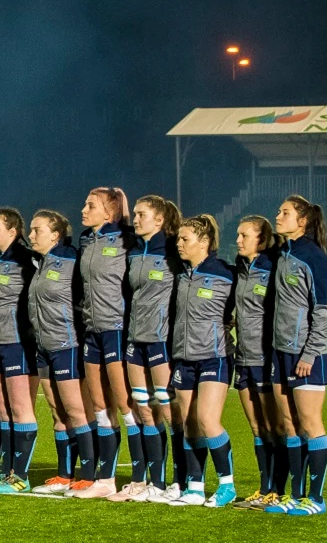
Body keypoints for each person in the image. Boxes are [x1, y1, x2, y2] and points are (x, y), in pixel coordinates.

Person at [265, 195, 327, 517]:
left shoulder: (314, 257)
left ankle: (316, 499)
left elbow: (323, 312)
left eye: (285, 213)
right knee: (290, 425)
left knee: (310, 423)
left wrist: (310, 353)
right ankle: (296, 494)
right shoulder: (282, 254)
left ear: (302, 221)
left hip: (307, 355)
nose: (278, 217)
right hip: (281, 353)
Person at [167, 214, 238, 507]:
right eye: (179, 239)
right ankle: (195, 487)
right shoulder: (182, 274)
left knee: (208, 420)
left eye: (186, 239)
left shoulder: (225, 273)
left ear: (204, 242)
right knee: (189, 423)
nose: (180, 244)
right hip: (183, 359)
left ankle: (227, 485)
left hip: (214, 357)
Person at [115, 194, 181, 501]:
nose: (136, 220)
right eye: (136, 215)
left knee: (167, 410)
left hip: (161, 340)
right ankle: (154, 483)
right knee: (142, 409)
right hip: (135, 340)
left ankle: (182, 480)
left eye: (143, 215)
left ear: (160, 220)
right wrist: (124, 210)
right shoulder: (133, 250)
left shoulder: (171, 250)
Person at [26, 209, 92, 496]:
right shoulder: (38, 262)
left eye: (36, 230)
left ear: (55, 234)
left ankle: (89, 475)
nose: (31, 235)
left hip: (67, 345)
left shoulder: (70, 259)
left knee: (77, 411)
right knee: (57, 412)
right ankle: (65, 474)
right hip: (43, 347)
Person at [72, 187, 132, 499]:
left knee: (125, 403)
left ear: (108, 213)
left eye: (90, 205)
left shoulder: (125, 238)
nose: (83, 209)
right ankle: (106, 480)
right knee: (99, 404)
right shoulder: (85, 239)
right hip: (91, 329)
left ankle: (142, 478)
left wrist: (125, 206)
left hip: (117, 328)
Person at [0, 207, 39, 494]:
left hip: (18, 341)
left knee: (20, 407)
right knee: (3, 408)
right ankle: (6, 473)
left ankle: (21, 477)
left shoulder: (25, 259)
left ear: (12, 231)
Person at [229, 215, 284, 509]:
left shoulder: (271, 268)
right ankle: (264, 489)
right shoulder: (241, 268)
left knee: (275, 427)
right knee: (256, 427)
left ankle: (278, 488)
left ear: (261, 240)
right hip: (243, 357)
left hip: (264, 358)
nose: (238, 240)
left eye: (244, 236)